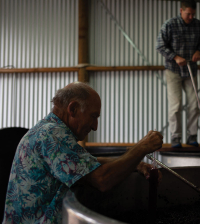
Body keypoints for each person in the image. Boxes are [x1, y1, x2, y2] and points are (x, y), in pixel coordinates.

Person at [2, 82, 163, 224]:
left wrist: (134, 164)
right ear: (73, 109)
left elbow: (87, 164)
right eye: (93, 116)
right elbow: (102, 180)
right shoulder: (52, 135)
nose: (95, 126)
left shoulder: (48, 129)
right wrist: (141, 147)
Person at [156, 0, 200, 148]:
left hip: (191, 69)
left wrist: (198, 51)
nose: (191, 17)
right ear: (181, 10)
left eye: (193, 14)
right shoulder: (169, 25)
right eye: (188, 14)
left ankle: (192, 136)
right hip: (174, 71)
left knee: (194, 103)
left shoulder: (198, 25)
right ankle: (175, 138)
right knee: (175, 105)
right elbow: (160, 46)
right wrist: (175, 57)